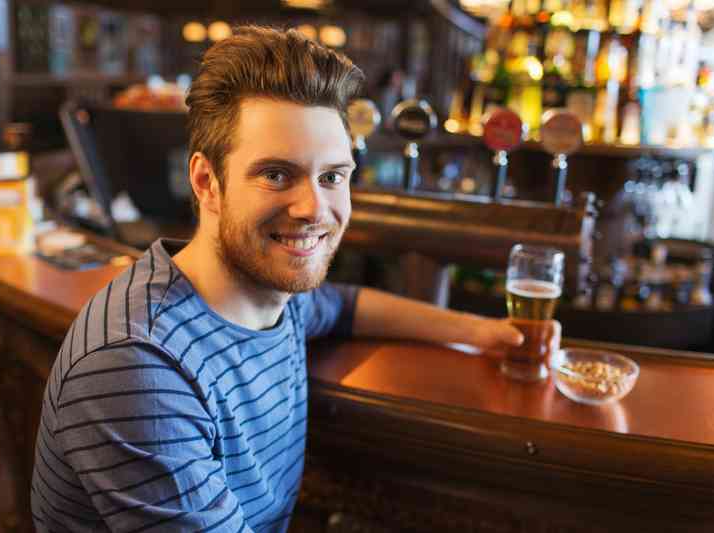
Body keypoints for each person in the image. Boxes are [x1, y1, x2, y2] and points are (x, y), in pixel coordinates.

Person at [31, 25, 553, 532]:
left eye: (332, 177)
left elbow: (344, 306)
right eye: (276, 175)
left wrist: (479, 331)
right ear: (206, 182)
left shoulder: (270, 295)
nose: (313, 209)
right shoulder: (138, 365)